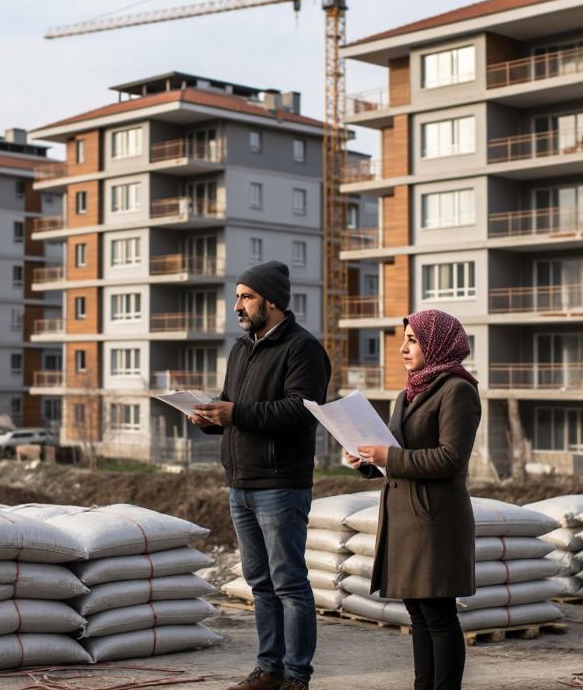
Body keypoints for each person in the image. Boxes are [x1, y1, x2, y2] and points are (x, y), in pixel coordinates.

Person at [190, 260, 331, 690]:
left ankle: (296, 676)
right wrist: (212, 417)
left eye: (246, 297)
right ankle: (268, 669)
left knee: (289, 583)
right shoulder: (242, 348)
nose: (237, 306)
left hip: (281, 485)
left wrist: (235, 413)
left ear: (272, 302)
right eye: (237, 296)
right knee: (260, 584)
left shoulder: (302, 349)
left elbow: (299, 412)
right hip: (241, 483)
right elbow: (235, 405)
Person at [347, 309, 480, 690]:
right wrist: (368, 463)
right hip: (404, 517)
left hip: (436, 519)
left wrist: (390, 457)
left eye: (413, 340)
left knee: (438, 614)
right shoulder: (409, 392)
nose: (403, 348)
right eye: (403, 340)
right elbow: (397, 453)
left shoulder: (458, 390)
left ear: (436, 344)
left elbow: (451, 458)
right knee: (418, 614)